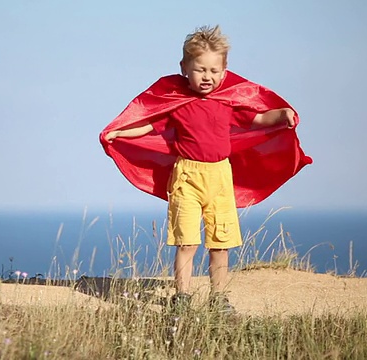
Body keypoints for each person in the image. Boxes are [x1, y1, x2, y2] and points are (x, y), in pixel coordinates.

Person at [100, 25, 311, 312]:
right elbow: (150, 124)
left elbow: (259, 119)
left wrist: (282, 114)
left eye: (214, 70)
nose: (207, 77)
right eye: (200, 70)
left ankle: (218, 298)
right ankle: (182, 298)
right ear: (184, 68)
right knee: (186, 242)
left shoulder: (229, 101)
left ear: (224, 71)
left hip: (220, 177)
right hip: (186, 176)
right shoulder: (177, 102)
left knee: (219, 243)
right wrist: (120, 132)